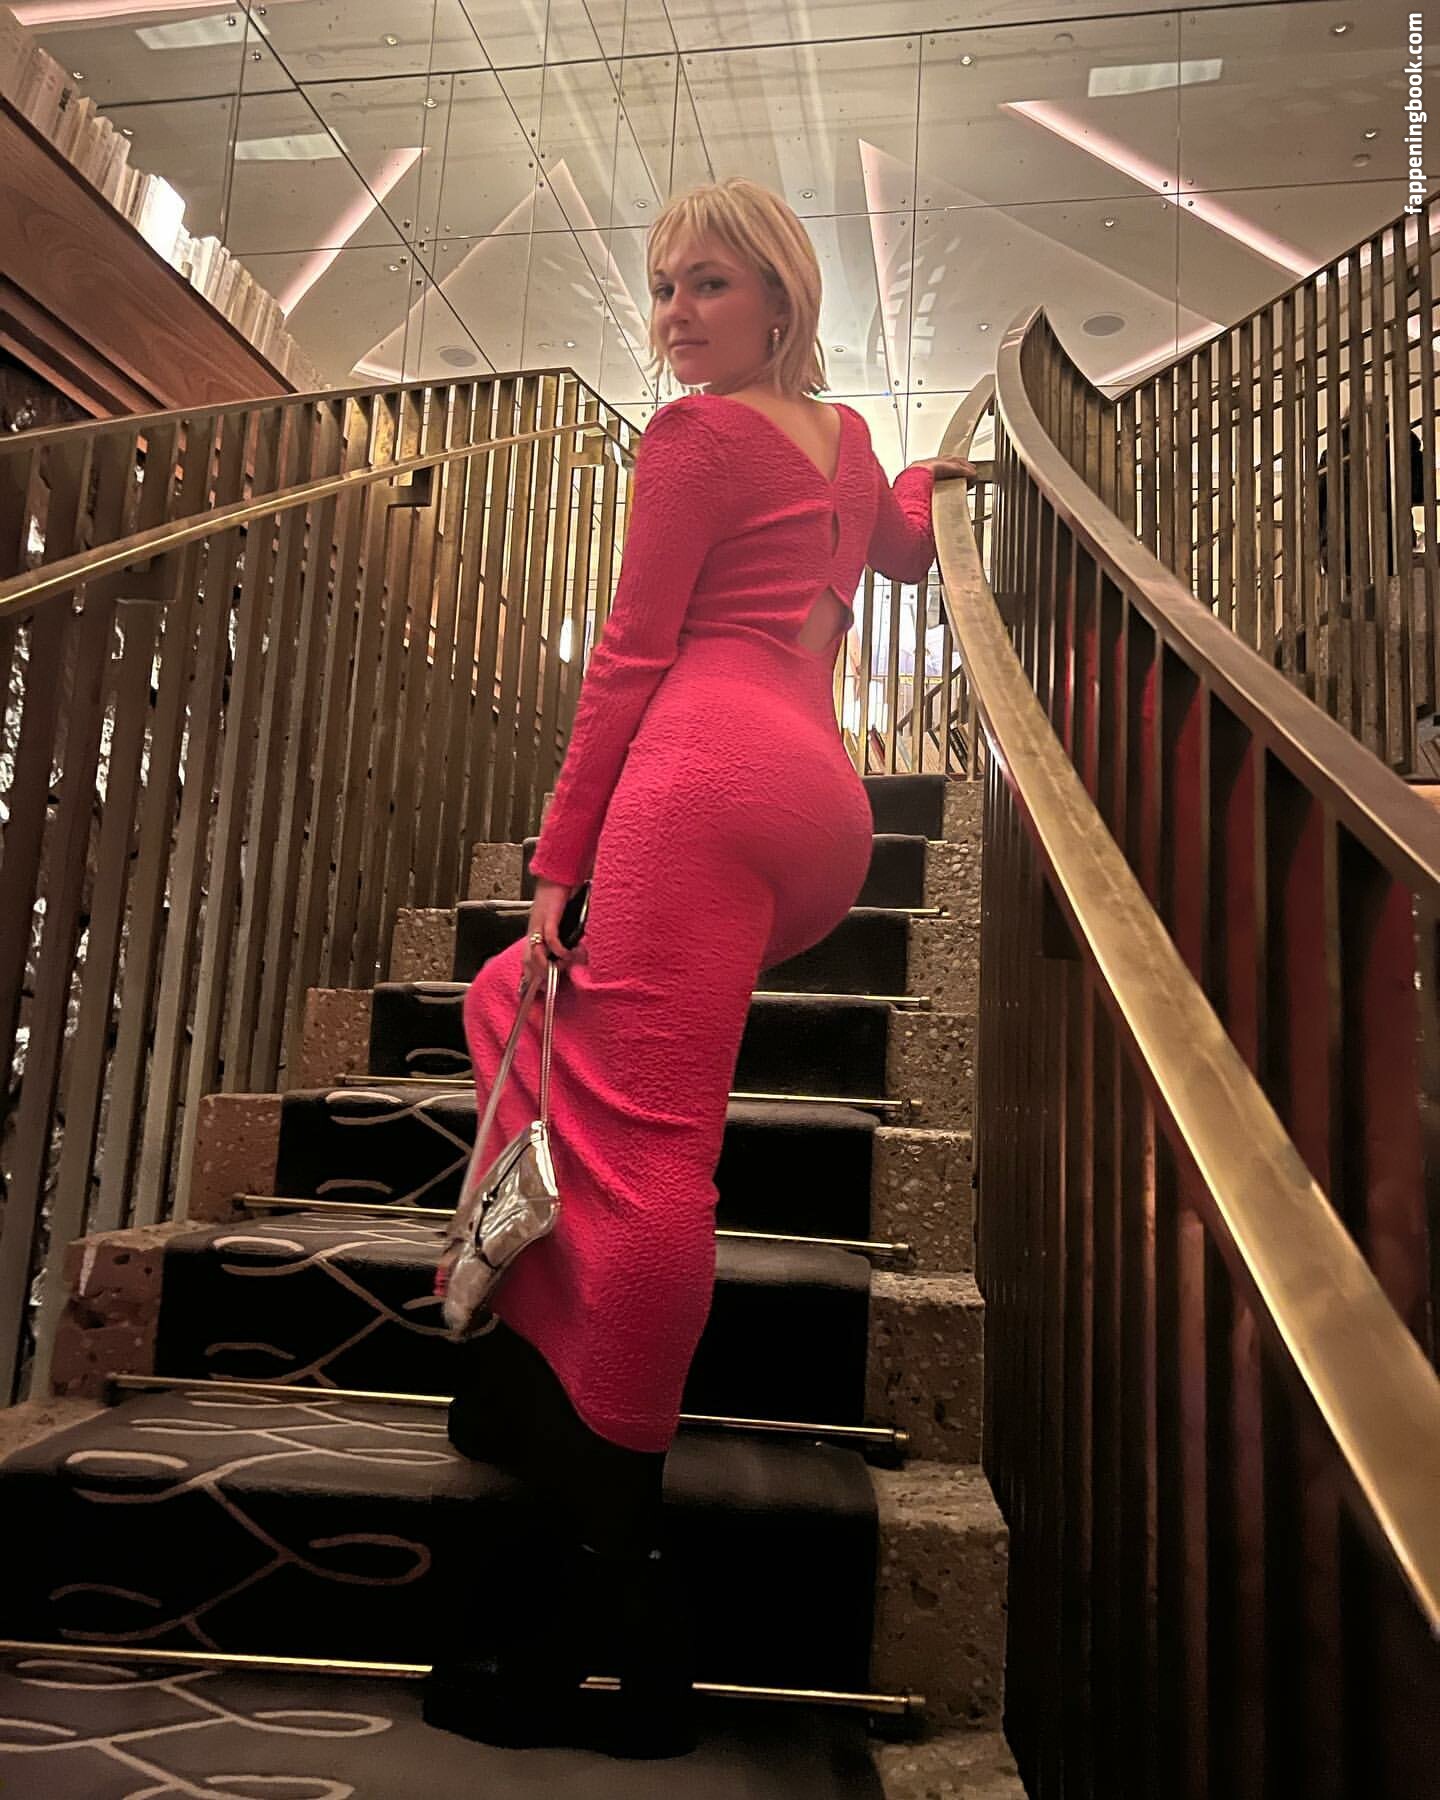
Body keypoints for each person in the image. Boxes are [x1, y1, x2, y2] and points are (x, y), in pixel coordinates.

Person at [423, 175, 973, 1759]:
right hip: (814, 803)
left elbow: (631, 653)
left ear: (780, 298)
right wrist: (935, 473)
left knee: (650, 1149)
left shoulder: (696, 439)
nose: (675, 314)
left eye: (710, 283)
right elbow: (905, 549)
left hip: (698, 781)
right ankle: (523, 1364)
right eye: (664, 286)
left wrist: (559, 853)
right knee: (513, 1004)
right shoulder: (844, 439)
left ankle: (617, 1600)